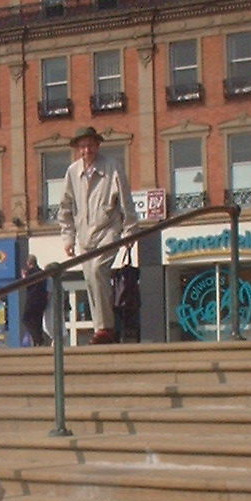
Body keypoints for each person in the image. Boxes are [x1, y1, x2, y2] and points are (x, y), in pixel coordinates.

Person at [58, 126, 138, 345]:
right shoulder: (72, 172)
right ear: (77, 149)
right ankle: (101, 327)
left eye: (91, 145)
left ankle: (105, 328)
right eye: (83, 146)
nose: (87, 150)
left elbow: (126, 202)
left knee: (96, 270)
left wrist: (130, 231)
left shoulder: (112, 167)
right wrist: (68, 238)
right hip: (85, 235)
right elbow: (65, 207)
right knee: (91, 280)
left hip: (109, 230)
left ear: (98, 145)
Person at [21, 255, 49, 346]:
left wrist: (24, 277)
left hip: (32, 299)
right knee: (38, 320)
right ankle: (39, 341)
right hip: (41, 300)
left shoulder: (29, 273)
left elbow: (27, 285)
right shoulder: (42, 272)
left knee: (26, 318)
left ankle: (37, 338)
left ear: (28, 263)